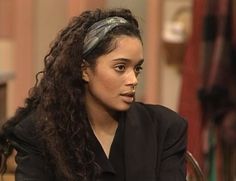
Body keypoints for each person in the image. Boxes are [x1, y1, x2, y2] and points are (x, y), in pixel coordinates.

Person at [0, 8, 187, 181]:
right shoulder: (37, 133)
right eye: (120, 67)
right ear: (85, 70)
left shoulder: (166, 127)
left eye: (137, 68)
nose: (133, 79)